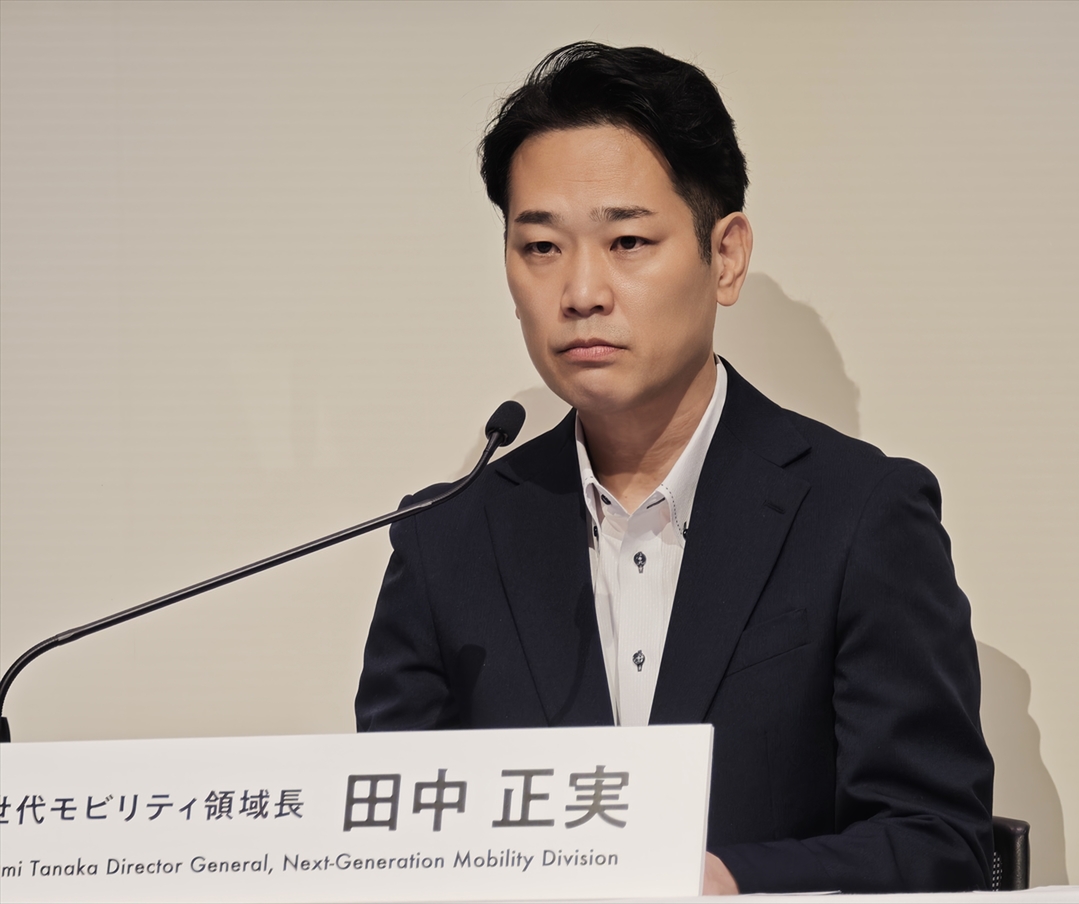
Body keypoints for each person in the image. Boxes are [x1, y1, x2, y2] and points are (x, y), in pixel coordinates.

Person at [356, 42, 993, 895]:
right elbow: (389, 847)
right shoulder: (445, 541)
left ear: (724, 257)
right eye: (540, 247)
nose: (581, 291)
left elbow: (937, 841)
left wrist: (729, 881)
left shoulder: (860, 515)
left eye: (627, 240)